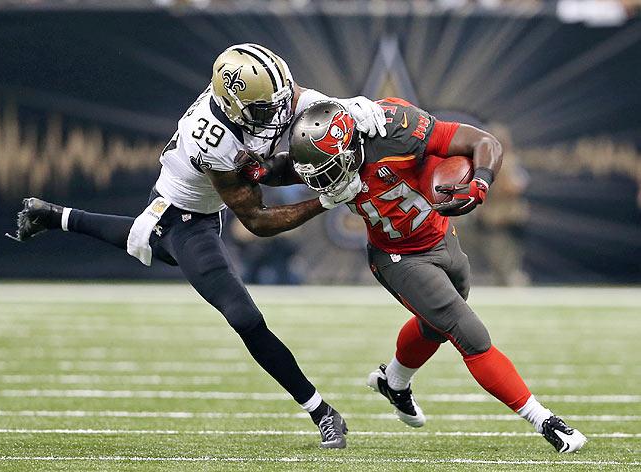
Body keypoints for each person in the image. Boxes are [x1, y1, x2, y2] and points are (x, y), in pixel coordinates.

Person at [6, 43, 387, 449]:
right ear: (235, 106)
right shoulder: (213, 138)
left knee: (146, 240)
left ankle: (51, 215)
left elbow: (298, 101)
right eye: (264, 110)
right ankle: (322, 412)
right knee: (242, 316)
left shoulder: (264, 94)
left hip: (195, 206)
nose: (277, 115)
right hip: (184, 217)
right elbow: (257, 221)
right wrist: (326, 200)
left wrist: (351, 107)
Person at [238, 98, 587, 453]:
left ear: (350, 147)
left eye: (329, 170)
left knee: (436, 325)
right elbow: (291, 168)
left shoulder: (397, 130)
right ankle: (544, 420)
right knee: (469, 332)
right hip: (396, 257)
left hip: (441, 237)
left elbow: (485, 143)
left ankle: (395, 381)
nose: (325, 181)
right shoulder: (326, 153)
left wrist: (480, 183)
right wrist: (261, 171)